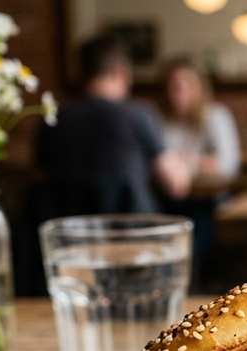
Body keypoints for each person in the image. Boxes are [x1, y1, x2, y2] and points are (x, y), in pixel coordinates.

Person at [36, 34, 190, 217]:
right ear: (121, 71)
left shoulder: (52, 119)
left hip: (71, 236)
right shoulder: (138, 114)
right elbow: (176, 185)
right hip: (130, 236)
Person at [161, 58, 240, 185]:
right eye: (173, 85)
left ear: (200, 87)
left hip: (209, 197)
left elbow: (228, 167)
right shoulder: (161, 121)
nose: (177, 91)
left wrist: (188, 162)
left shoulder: (216, 116)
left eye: (186, 84)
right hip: (170, 197)